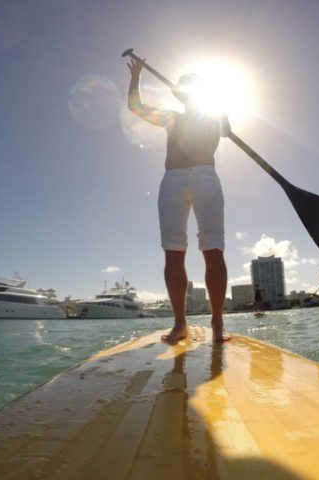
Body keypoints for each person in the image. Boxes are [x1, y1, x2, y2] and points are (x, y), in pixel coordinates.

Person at [127, 57, 231, 343]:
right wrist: (136, 75)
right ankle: (180, 324)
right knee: (173, 253)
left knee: (213, 250)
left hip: (206, 177)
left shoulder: (214, 115)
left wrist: (206, 94)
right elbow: (136, 107)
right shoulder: (172, 117)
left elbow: (225, 127)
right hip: (172, 180)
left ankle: (218, 323)